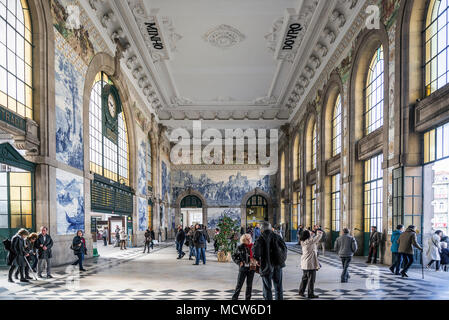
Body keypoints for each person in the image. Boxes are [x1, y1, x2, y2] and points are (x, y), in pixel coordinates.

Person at [254, 221, 286, 300]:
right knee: (278, 286)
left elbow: (256, 253)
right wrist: (281, 260)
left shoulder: (260, 238)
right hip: (278, 265)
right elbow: (284, 249)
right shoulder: (277, 236)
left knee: (267, 287)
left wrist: (257, 260)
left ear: (262, 229)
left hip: (266, 266)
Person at [298, 229, 322, 298]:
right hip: (310, 264)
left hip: (304, 263)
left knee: (304, 278)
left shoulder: (303, 241)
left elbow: (311, 240)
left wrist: (311, 234)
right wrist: (319, 233)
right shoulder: (309, 242)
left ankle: (301, 291)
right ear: (307, 236)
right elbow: (316, 239)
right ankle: (310, 294)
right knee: (311, 280)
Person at [231, 234, 256, 300]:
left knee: (249, 285)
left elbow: (258, 256)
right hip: (243, 268)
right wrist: (239, 262)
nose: (249, 240)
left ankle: (248, 299)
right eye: (247, 239)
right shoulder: (240, 247)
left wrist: (257, 261)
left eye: (250, 238)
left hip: (252, 267)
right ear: (244, 240)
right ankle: (234, 298)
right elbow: (234, 256)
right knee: (239, 285)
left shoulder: (254, 246)